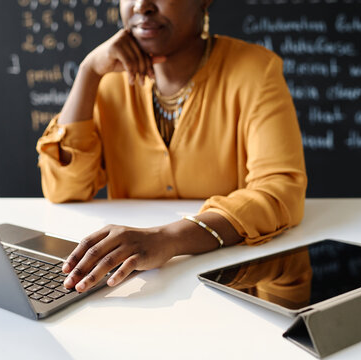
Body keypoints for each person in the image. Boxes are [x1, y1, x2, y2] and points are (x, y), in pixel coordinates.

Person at [36, 0, 307, 293]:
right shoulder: (110, 79)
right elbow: (63, 190)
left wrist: (169, 238)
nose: (142, 5)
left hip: (230, 277)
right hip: (132, 286)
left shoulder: (255, 70)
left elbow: (281, 191)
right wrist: (88, 72)